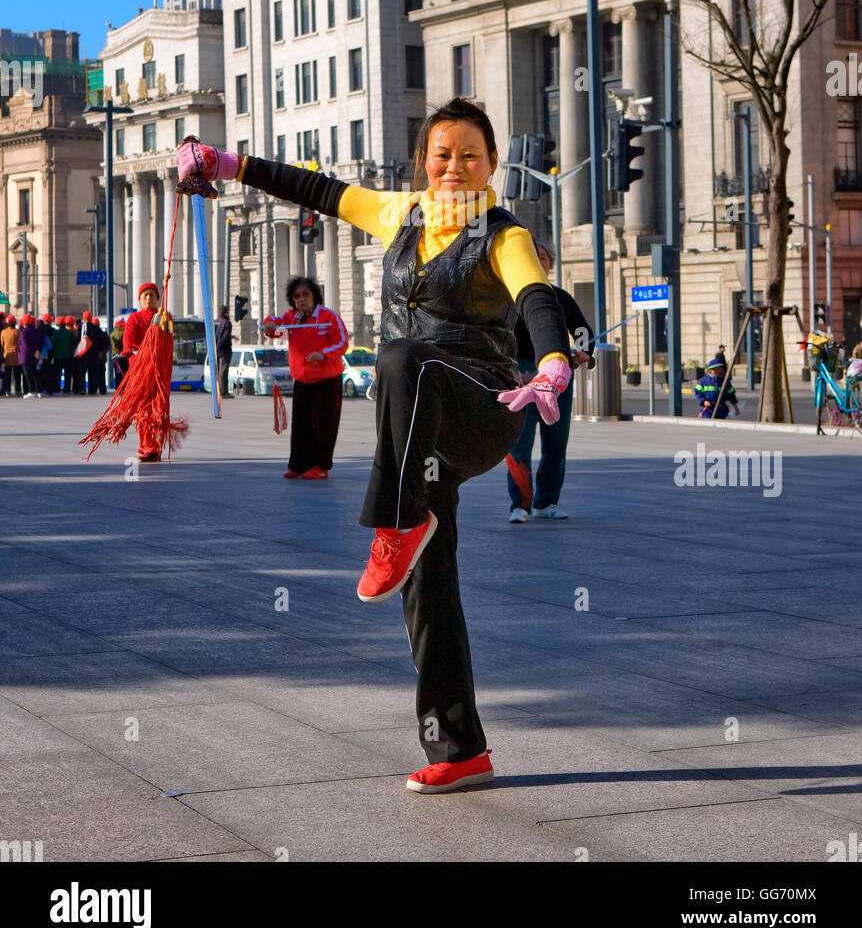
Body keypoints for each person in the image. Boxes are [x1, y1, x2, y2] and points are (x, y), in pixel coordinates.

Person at [176, 98, 573, 795]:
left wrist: (552, 361)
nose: (455, 168)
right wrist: (226, 163)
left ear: (491, 165)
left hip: (481, 403)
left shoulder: (502, 232)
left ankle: (396, 520)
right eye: (443, 154)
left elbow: (536, 296)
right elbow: (315, 187)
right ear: (426, 159)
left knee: (398, 359)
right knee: (428, 585)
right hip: (418, 424)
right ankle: (460, 747)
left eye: (471, 156)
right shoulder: (399, 213)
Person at [505, 241, 593, 522]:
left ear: (550, 264)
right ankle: (520, 505)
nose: (539, 261)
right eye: (532, 256)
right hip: (520, 375)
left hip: (556, 374)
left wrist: (582, 351)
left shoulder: (560, 297)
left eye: (543, 257)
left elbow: (581, 330)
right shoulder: (507, 297)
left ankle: (546, 502)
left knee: (556, 443)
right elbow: (494, 338)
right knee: (520, 444)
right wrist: (511, 370)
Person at [263, 278, 348, 480]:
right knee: (300, 425)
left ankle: (321, 466)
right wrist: (268, 324)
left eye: (305, 295)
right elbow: (274, 325)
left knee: (323, 425)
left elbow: (343, 342)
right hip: (302, 380)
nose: (301, 299)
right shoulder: (292, 317)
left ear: (314, 296)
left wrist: (323, 353)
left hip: (327, 380)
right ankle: (298, 465)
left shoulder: (328, 316)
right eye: (297, 296)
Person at [122, 283, 165, 461]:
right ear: (139, 299)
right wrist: (144, 352)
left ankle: (153, 446)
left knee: (158, 410)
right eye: (145, 295)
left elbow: (168, 340)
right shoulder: (134, 319)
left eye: (152, 295)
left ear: (157, 298)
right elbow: (128, 344)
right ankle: (146, 446)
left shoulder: (163, 316)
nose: (148, 298)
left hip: (159, 371)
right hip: (140, 371)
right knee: (144, 410)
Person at [18, 315, 42, 398]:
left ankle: (31, 391)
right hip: (35, 356)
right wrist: (37, 351)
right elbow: (40, 342)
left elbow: (24, 345)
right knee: (34, 373)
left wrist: (32, 352)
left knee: (28, 374)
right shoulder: (37, 331)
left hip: (25, 356)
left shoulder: (23, 332)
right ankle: (37, 391)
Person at [52, 316, 76, 394]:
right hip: (67, 356)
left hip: (57, 356)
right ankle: (67, 389)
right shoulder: (69, 333)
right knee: (67, 374)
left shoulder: (55, 333)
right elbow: (73, 344)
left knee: (57, 374)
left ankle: (56, 388)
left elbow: (53, 343)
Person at [215, 306, 233, 398]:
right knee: (223, 371)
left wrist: (215, 348)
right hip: (224, 350)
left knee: (218, 371)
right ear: (226, 312)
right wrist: (218, 347)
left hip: (217, 351)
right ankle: (223, 392)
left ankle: (218, 390)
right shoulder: (227, 323)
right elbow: (225, 337)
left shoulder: (216, 322)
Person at [2, 316, 21, 397]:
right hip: (16, 355)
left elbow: (1, 345)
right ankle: (18, 390)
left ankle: (7, 390)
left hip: (7, 356)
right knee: (17, 375)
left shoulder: (3, 332)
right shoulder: (18, 332)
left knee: (7, 375)